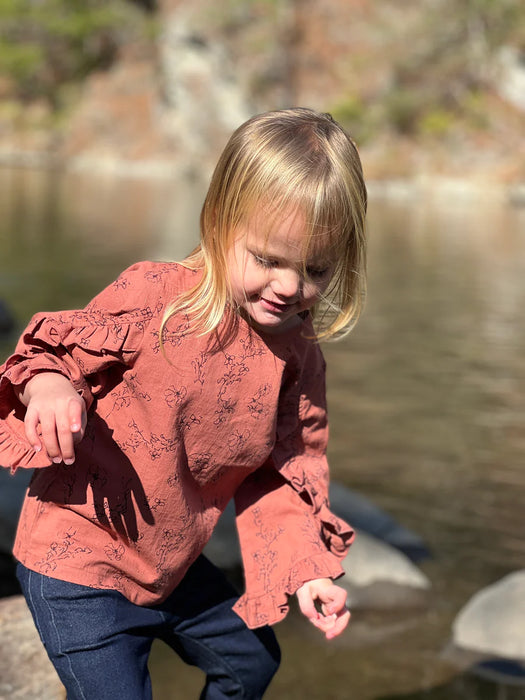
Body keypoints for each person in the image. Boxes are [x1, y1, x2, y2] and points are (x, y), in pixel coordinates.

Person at [0, 107, 367, 699]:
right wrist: (49, 387)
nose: (290, 288)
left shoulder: (296, 353)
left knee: (251, 663)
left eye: (315, 268)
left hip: (171, 566)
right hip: (78, 562)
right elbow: (52, 351)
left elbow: (283, 473)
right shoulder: (157, 299)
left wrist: (306, 570)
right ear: (221, 223)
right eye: (268, 260)